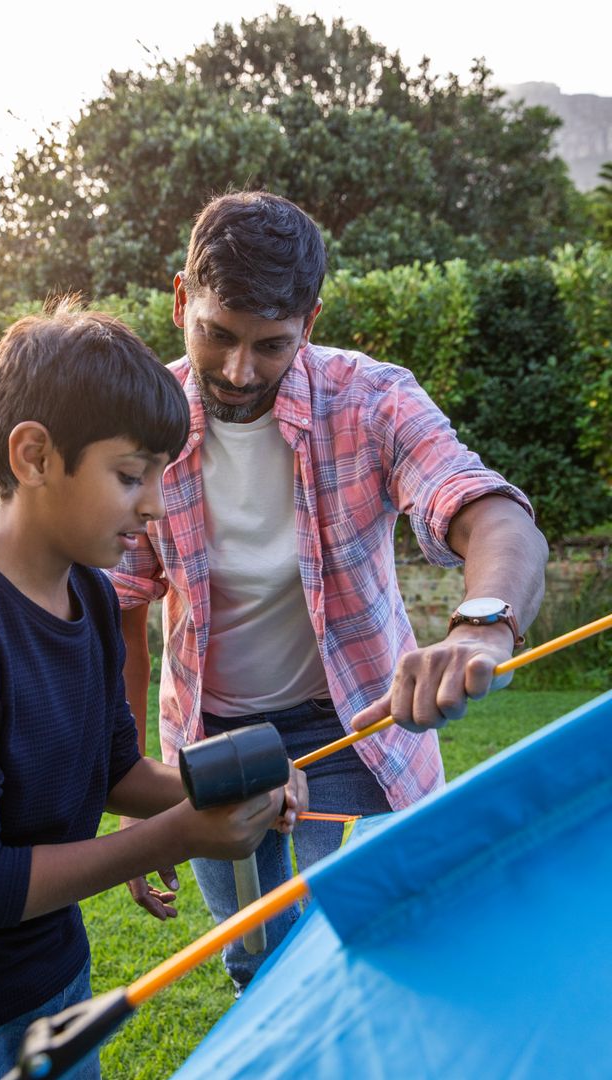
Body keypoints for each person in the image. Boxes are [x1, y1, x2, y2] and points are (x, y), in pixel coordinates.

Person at [109, 191, 549, 995]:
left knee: (372, 956)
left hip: (355, 729)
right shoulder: (144, 423)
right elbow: (124, 612)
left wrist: (482, 624)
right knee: (257, 961)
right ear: (181, 299)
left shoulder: (373, 399)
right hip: (214, 744)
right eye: (217, 335)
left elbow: (490, 512)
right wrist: (140, 788)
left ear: (310, 319)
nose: (240, 372)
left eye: (271, 345)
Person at [0, 300, 307, 1080]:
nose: (152, 504)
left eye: (158, 476)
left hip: (55, 978)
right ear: (34, 456)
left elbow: (116, 772)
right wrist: (179, 836)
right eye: (129, 476)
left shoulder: (90, 593)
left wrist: (238, 781)